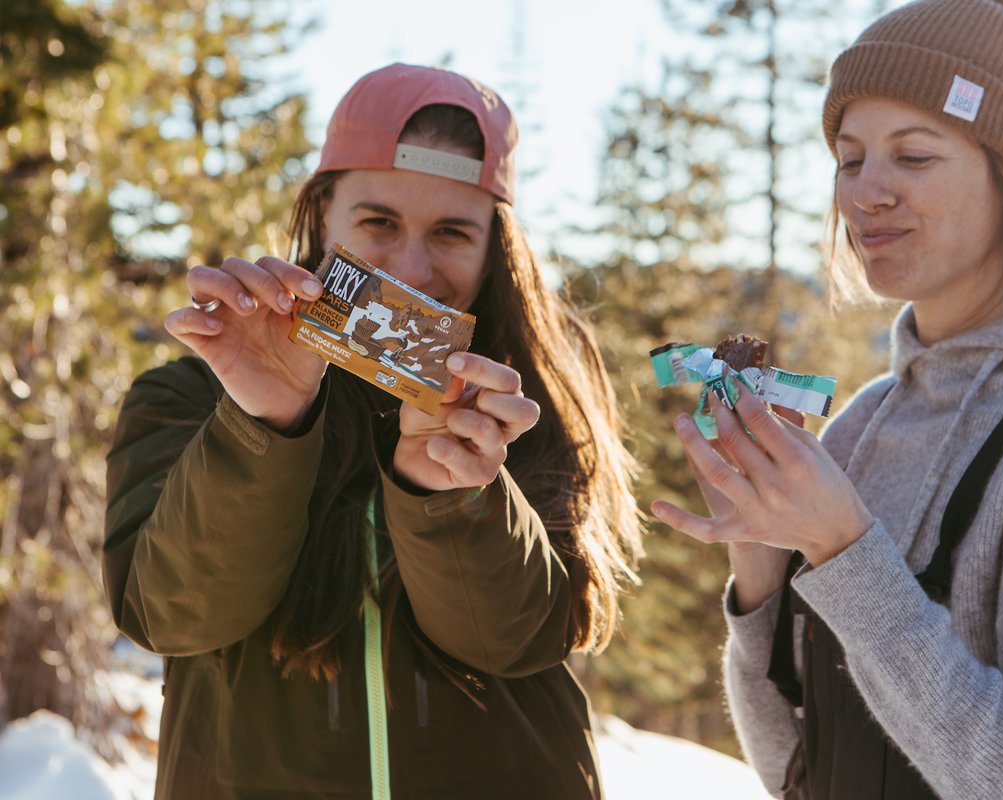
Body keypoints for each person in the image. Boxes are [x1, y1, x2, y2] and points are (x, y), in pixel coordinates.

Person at [650, 1, 1003, 798]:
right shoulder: (865, 424)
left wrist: (845, 550)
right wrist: (761, 567)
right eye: (849, 159)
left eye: (913, 155)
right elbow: (797, 773)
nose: (867, 192)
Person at [104, 63, 641, 800]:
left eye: (452, 233)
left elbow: (510, 641)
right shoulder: (192, 395)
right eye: (378, 222)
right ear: (323, 212)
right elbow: (172, 614)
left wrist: (447, 487)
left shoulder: (528, 405)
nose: (411, 269)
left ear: (495, 247)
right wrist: (265, 423)